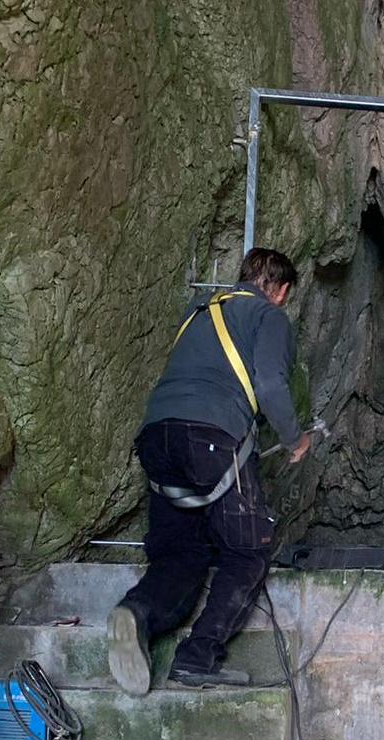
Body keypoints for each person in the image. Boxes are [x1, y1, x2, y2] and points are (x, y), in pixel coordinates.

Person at [108, 247, 310, 694]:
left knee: (182, 554)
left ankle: (136, 611)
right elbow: (272, 383)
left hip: (157, 436)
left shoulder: (197, 312)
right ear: (280, 290)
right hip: (212, 436)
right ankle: (198, 657)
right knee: (248, 552)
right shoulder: (268, 317)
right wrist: (296, 439)